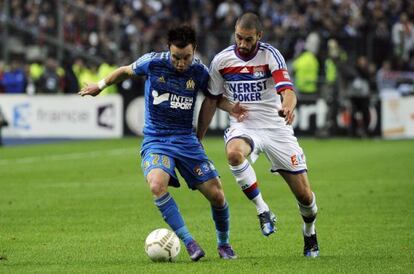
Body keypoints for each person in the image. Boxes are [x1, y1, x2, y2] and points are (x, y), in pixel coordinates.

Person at [79, 25, 240, 261]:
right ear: (169, 50)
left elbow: (215, 98)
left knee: (217, 195)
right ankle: (190, 242)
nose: (181, 63)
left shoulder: (200, 72)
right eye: (176, 57)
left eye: (186, 57)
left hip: (186, 140)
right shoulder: (153, 62)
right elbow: (124, 71)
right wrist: (100, 86)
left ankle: (224, 244)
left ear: (194, 50)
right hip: (157, 139)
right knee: (156, 184)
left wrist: (235, 108)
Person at [197, 12, 319, 257]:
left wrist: (287, 105)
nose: (243, 44)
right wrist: (198, 138)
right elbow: (211, 100)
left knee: (305, 196)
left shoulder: (271, 55)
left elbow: (288, 91)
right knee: (233, 154)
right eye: (239, 38)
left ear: (259, 36)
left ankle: (310, 233)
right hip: (245, 126)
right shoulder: (222, 60)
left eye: (249, 39)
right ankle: (262, 209)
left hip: (276, 128)